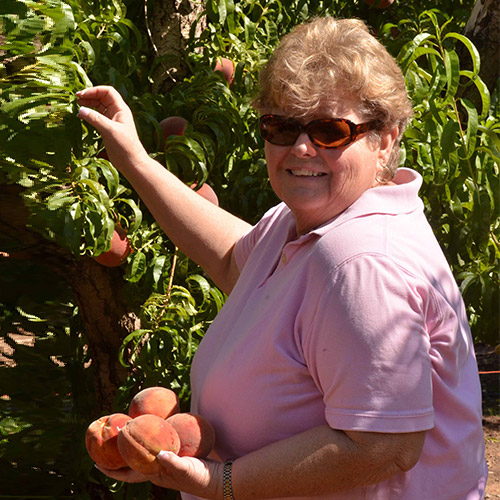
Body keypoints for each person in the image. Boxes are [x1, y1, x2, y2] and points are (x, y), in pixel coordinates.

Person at [77, 16, 487, 500]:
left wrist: (221, 482)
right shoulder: (305, 222)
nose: (301, 146)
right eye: (281, 125)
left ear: (386, 139)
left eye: (330, 131)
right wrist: (134, 159)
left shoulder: (361, 261)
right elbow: (235, 260)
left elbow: (383, 446)